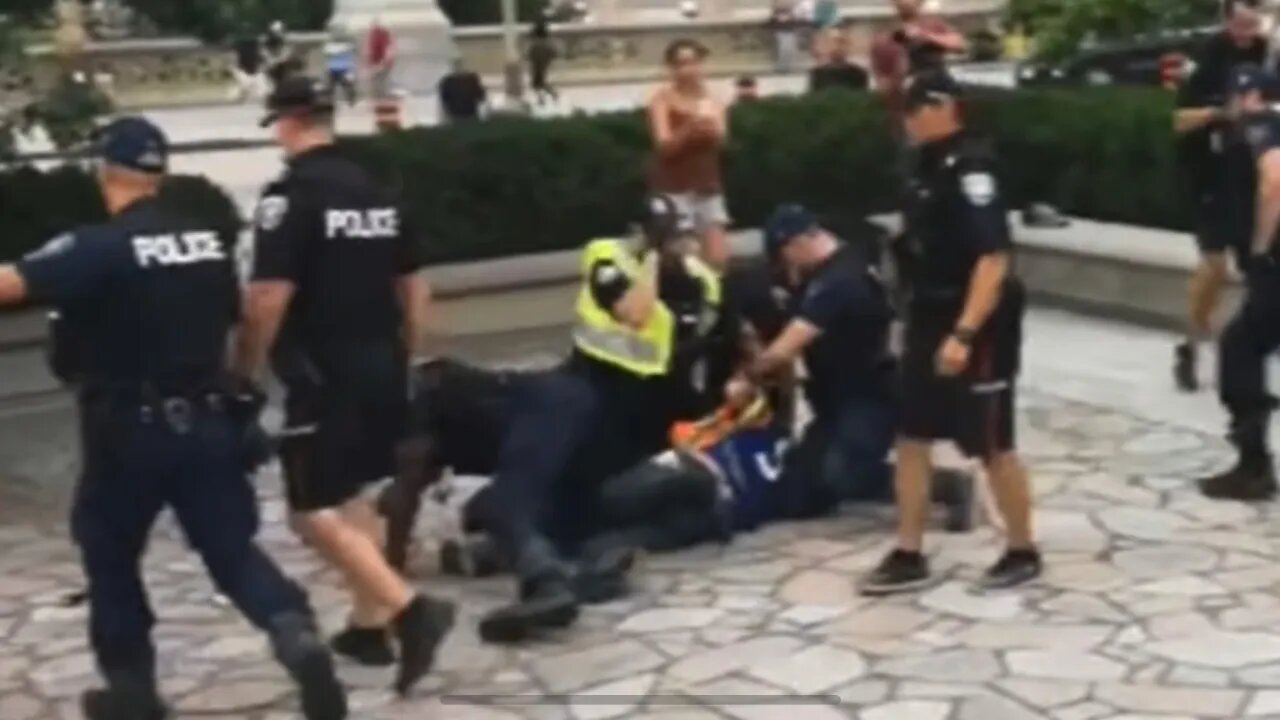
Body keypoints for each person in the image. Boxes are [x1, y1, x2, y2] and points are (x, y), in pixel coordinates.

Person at [0, 118, 347, 720]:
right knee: (231, 550)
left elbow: (11, 285)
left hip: (126, 430)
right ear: (159, 172)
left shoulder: (95, 246)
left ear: (104, 170)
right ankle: (294, 632)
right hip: (208, 418)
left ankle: (132, 690)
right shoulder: (206, 239)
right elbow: (239, 315)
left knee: (108, 549)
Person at [234, 76, 455, 691]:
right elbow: (414, 284)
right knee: (355, 490)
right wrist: (406, 351)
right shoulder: (378, 190)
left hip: (322, 373)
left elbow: (268, 295)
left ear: (288, 122)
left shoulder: (290, 197)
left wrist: (243, 370)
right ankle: (369, 622)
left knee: (311, 510)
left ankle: (411, 610)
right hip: (382, 363)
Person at [472, 194, 725, 643]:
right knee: (522, 501)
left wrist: (671, 265)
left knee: (689, 507)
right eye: (668, 236)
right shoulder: (606, 257)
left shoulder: (701, 281)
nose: (681, 246)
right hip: (587, 400)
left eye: (682, 236)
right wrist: (649, 258)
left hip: (645, 418)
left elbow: (684, 327)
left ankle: (585, 561)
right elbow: (633, 312)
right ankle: (528, 551)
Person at [861, 71, 1039, 596]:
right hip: (927, 312)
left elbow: (992, 257)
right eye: (906, 109)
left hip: (976, 321)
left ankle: (1022, 547)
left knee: (991, 442)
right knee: (912, 435)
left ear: (945, 108)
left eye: (919, 108)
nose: (909, 118)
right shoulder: (924, 166)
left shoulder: (973, 169)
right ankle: (909, 550)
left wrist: (963, 333)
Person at [736, 205, 974, 526]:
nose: (786, 267)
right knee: (799, 493)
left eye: (785, 256)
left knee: (844, 473)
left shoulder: (838, 281)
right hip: (836, 399)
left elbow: (787, 347)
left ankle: (945, 486)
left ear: (795, 244)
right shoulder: (845, 262)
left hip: (872, 397)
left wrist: (747, 376)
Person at [1172, 0, 1269, 392]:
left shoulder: (1268, 52)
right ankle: (1191, 345)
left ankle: (1248, 355)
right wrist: (1221, 113)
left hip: (1254, 174)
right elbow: (1180, 121)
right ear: (1227, 19)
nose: (1249, 29)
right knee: (1214, 266)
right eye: (1241, 22)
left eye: (1255, 20)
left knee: (1261, 270)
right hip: (1211, 174)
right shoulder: (1208, 56)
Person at [1199, 65, 1280, 501]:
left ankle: (1254, 465)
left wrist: (1261, 246)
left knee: (1239, 348)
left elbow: (1275, 181)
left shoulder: (1260, 125)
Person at [648, 39, 731, 269]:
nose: (689, 70)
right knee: (686, 261)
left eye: (694, 63)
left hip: (707, 184)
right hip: (674, 187)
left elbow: (722, 141)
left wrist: (711, 131)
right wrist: (687, 129)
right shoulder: (662, 99)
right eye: (682, 64)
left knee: (718, 257)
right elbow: (663, 146)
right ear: (672, 68)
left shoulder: (713, 99)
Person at [870, 0, 967, 118]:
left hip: (939, 95)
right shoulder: (884, 37)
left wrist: (925, 36)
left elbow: (959, 44)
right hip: (907, 102)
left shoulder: (934, 26)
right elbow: (881, 80)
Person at [809, 26, 870, 93]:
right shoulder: (817, 73)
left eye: (841, 42)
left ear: (847, 46)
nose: (836, 46)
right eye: (832, 42)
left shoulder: (859, 73)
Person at [438, 58, 488, 123]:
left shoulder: (447, 82)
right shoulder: (472, 80)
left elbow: (444, 100)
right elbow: (481, 97)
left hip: (455, 115)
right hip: (470, 114)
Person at [324, 23, 359, 107]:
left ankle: (351, 103)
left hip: (345, 69)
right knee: (330, 89)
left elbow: (353, 50)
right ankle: (330, 104)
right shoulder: (330, 44)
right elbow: (328, 52)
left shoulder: (348, 44)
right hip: (333, 69)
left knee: (349, 88)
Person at [529, 19, 559, 106]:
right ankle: (549, 96)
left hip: (538, 64)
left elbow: (531, 54)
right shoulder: (547, 43)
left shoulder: (536, 44)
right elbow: (554, 53)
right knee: (540, 82)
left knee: (537, 83)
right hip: (544, 63)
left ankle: (543, 98)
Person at [367, 18, 395, 102]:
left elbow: (388, 54)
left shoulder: (384, 37)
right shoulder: (374, 35)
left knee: (380, 85)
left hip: (382, 65)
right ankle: (379, 99)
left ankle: (382, 100)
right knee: (377, 86)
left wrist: (379, 66)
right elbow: (369, 50)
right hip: (377, 64)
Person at [231, 30, 264, 102]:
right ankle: (238, 97)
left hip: (249, 70)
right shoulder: (243, 50)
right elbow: (236, 61)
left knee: (253, 85)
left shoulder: (255, 52)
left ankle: (241, 97)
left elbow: (261, 60)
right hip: (242, 70)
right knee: (246, 84)